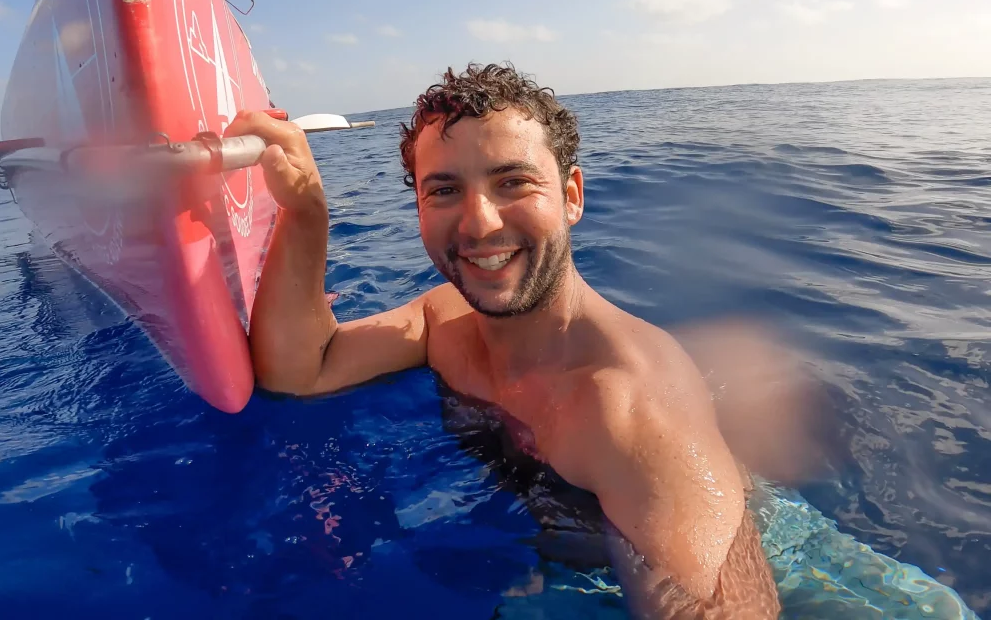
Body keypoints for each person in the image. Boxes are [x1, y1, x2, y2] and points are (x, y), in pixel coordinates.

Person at [224, 62, 781, 618]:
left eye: (512, 182)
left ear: (572, 196)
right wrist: (304, 212)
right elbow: (302, 374)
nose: (480, 223)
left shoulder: (631, 412)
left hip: (788, 565)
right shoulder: (443, 319)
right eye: (444, 190)